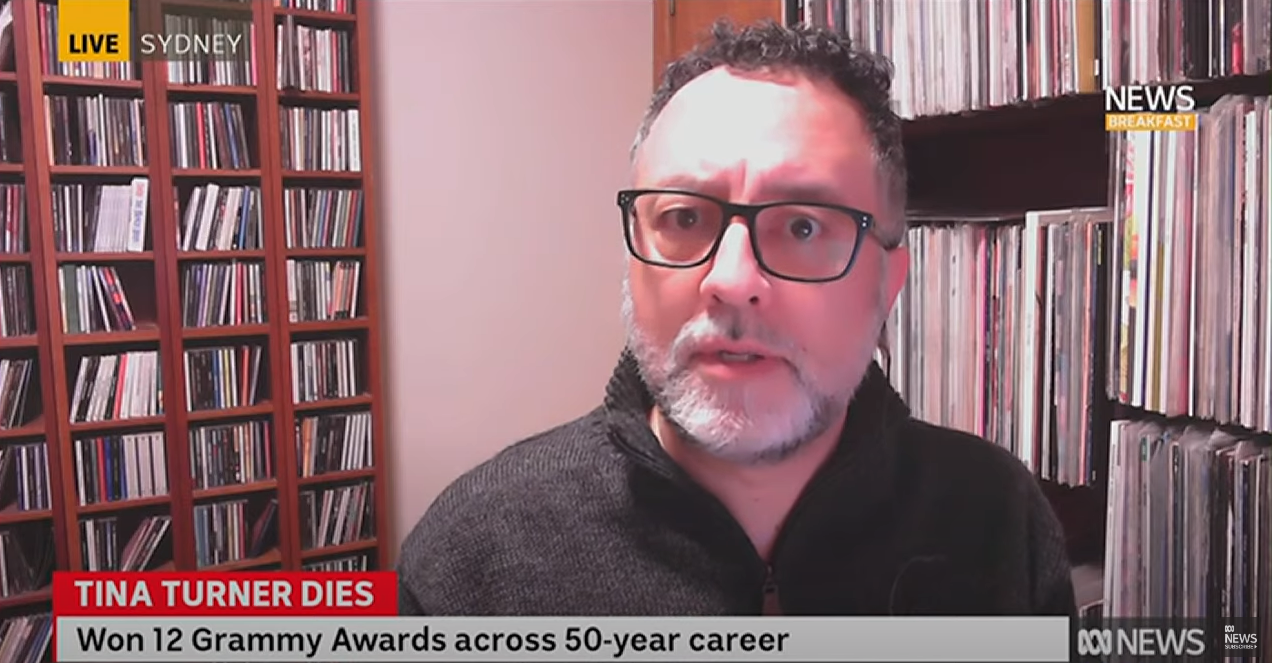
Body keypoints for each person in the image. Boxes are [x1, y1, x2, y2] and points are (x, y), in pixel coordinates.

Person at [397, 19, 1076, 616]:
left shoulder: (997, 524)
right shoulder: (471, 560)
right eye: (684, 218)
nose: (730, 281)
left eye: (804, 226)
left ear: (887, 283)